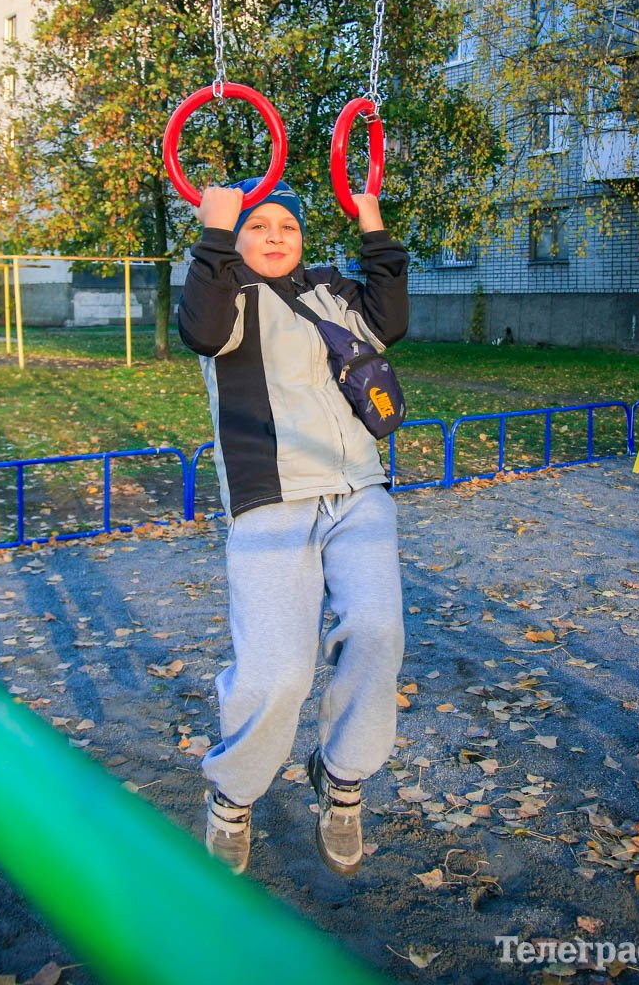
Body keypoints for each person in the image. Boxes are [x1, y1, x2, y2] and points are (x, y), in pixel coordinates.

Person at [177, 175, 409, 877]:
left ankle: (341, 777)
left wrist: (371, 222)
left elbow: (391, 319)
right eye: (258, 225)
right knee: (277, 672)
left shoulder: (332, 292)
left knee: (377, 631)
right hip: (271, 500)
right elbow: (199, 331)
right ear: (235, 235)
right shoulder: (225, 295)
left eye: (288, 226)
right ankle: (234, 794)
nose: (275, 236)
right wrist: (214, 235)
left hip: (358, 491)